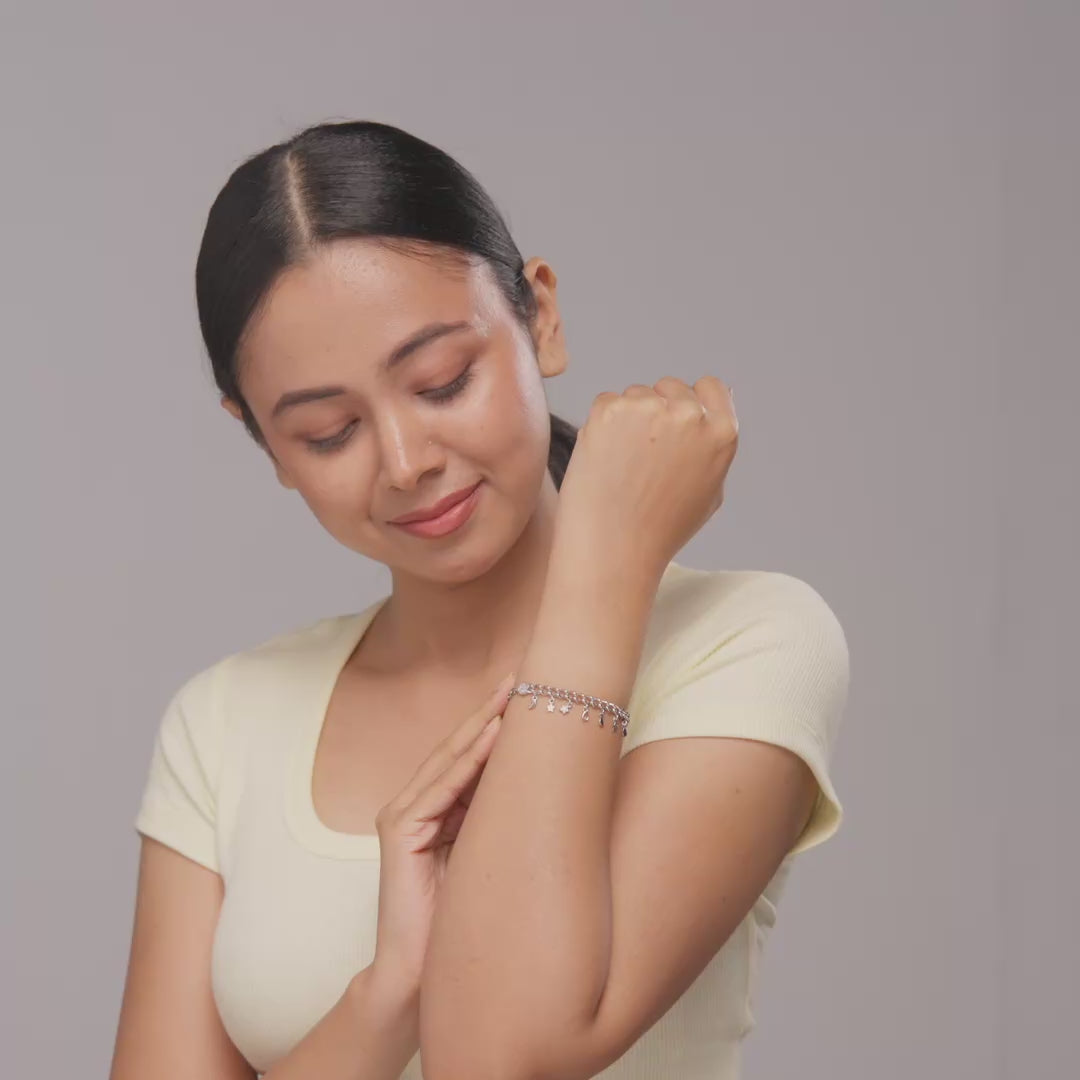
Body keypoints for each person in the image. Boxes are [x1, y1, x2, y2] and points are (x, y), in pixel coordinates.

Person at [109, 119, 850, 1080]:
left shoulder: (743, 645)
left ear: (541, 317)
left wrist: (604, 563)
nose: (406, 463)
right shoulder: (223, 723)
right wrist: (387, 995)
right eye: (329, 432)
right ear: (262, 440)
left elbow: (501, 1057)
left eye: (443, 381)